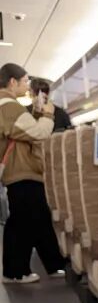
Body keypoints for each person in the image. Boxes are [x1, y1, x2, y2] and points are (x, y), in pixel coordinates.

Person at [0, 63, 66, 283]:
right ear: (12, 82)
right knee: (22, 221)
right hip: (21, 170)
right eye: (25, 81)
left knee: (36, 218)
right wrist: (47, 115)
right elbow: (38, 133)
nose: (27, 85)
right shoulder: (9, 106)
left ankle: (54, 265)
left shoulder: (8, 106)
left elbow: (22, 132)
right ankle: (15, 272)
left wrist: (36, 112)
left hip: (22, 169)